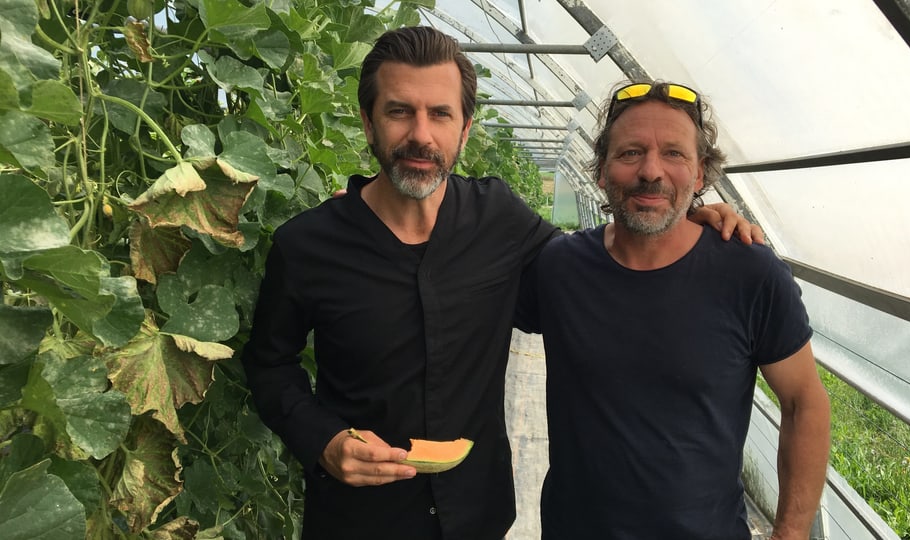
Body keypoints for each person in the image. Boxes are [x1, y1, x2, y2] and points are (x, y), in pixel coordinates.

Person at [241, 27, 760, 540]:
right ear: (368, 123)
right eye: (400, 111)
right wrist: (323, 441)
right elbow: (269, 365)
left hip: (478, 516)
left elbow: (595, 265)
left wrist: (685, 218)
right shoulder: (307, 246)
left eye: (440, 114)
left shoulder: (499, 220)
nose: (421, 135)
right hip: (357, 521)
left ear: (464, 129)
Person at [515, 81, 832, 539]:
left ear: (701, 174)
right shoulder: (560, 267)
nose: (651, 171)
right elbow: (464, 317)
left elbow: (805, 402)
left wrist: (791, 533)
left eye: (674, 154)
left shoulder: (749, 273)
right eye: (629, 153)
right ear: (601, 171)